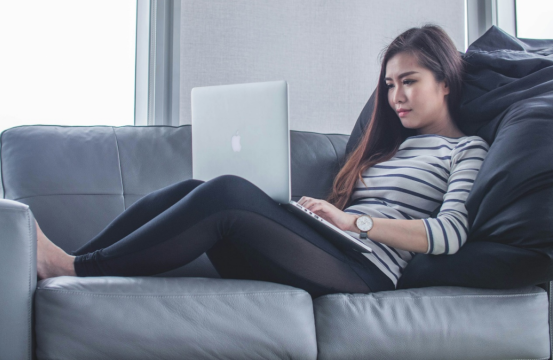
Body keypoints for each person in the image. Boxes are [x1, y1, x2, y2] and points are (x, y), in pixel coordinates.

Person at [35, 24, 490, 298]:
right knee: (198, 189)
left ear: (445, 81)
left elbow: (449, 234)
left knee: (227, 192)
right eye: (389, 85)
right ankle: (75, 262)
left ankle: (73, 268)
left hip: (367, 271)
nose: (395, 97)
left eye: (408, 81)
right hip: (328, 250)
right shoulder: (389, 147)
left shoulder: (466, 149)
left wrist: (355, 224)